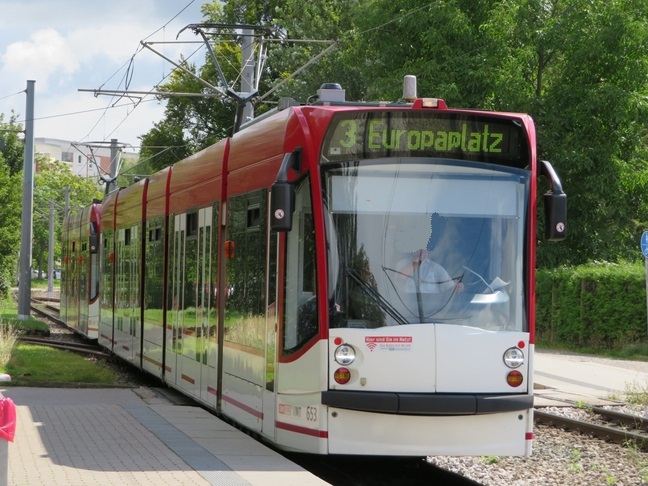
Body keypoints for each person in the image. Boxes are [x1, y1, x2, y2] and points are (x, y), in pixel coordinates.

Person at [396, 248, 464, 294]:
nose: (423, 250)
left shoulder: (435, 267)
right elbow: (401, 276)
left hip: (430, 307)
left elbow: (449, 286)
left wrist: (457, 287)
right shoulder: (403, 263)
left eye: (424, 248)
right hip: (406, 305)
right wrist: (418, 259)